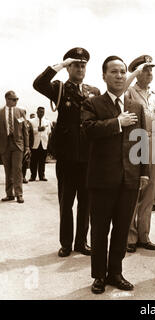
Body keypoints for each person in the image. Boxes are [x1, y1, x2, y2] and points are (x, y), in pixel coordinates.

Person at [82, 55, 149, 294]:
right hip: (102, 179)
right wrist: (117, 122)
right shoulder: (93, 104)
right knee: (100, 229)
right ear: (104, 76)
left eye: (122, 71)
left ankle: (115, 272)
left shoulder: (136, 107)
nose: (120, 75)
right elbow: (88, 131)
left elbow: (142, 142)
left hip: (129, 179)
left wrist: (144, 172)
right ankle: (99, 275)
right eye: (114, 71)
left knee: (122, 229)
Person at [33, 47, 100, 257]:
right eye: (76, 65)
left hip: (88, 156)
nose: (80, 69)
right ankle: (66, 243)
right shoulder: (59, 88)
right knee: (66, 202)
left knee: (86, 203)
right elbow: (38, 84)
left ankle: (82, 242)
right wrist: (60, 65)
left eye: (83, 65)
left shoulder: (94, 92)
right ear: (69, 67)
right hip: (67, 156)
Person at [125, 55, 155, 253]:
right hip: (135, 144)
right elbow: (120, 93)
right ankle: (129, 235)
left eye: (151, 70)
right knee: (133, 191)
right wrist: (133, 74)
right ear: (137, 72)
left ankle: (144, 235)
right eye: (145, 70)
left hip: (154, 145)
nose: (149, 73)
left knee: (149, 193)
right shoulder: (129, 92)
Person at [0, 91, 30, 203]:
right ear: (7, 99)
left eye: (17, 99)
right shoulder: (0, 113)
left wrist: (27, 146)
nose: (16, 101)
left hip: (18, 145)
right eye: (13, 99)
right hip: (4, 145)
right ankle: (9, 194)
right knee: (8, 170)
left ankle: (19, 194)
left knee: (17, 169)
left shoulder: (20, 112)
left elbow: (25, 130)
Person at [29, 107, 51, 181]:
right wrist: (37, 129)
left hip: (44, 143)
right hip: (35, 143)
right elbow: (29, 132)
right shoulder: (31, 121)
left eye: (43, 112)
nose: (41, 113)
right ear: (37, 112)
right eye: (40, 112)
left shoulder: (47, 121)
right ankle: (33, 176)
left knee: (42, 161)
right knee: (33, 161)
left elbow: (48, 133)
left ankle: (42, 176)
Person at [22, 110, 34, 184]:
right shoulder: (16, 121)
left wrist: (30, 146)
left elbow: (31, 135)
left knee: (25, 162)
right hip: (17, 146)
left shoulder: (28, 123)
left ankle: (23, 177)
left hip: (26, 146)